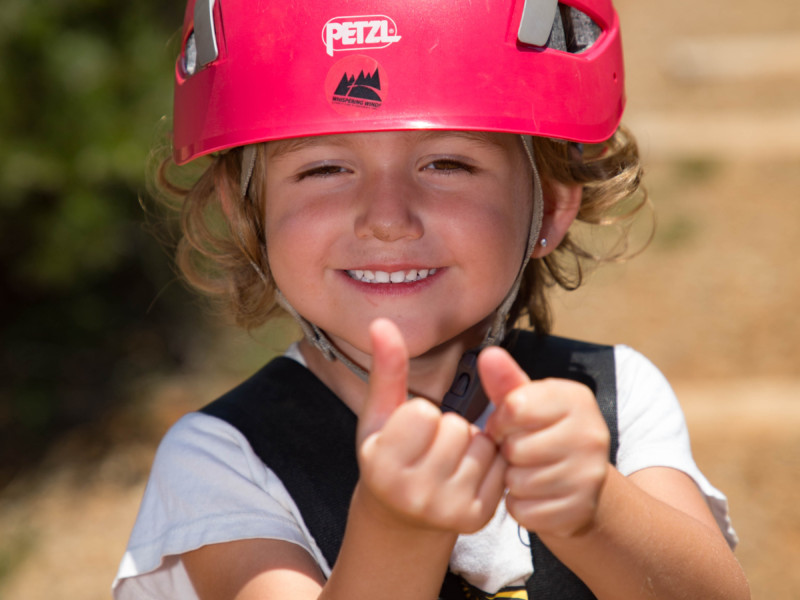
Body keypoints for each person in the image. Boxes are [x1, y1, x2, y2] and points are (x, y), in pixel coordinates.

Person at [114, 0, 750, 598]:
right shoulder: (224, 458)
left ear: (551, 205)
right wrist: (397, 530)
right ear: (247, 213)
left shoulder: (614, 396)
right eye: (324, 169)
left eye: (447, 164)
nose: (386, 219)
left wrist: (594, 511)